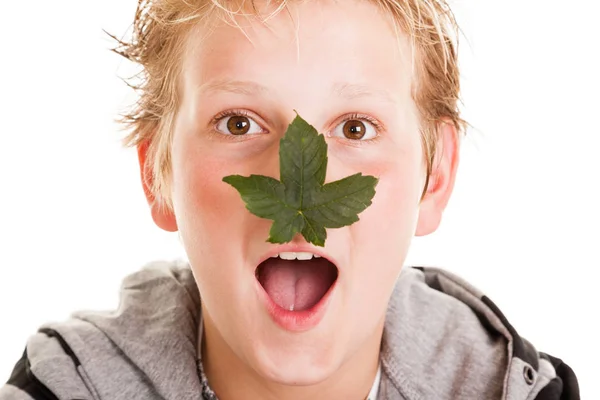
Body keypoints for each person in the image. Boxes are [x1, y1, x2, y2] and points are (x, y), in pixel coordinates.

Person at [0, 0, 580, 399]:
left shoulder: (515, 386)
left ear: (435, 178)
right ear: (159, 175)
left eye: (355, 129)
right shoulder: (65, 384)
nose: (301, 185)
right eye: (237, 124)